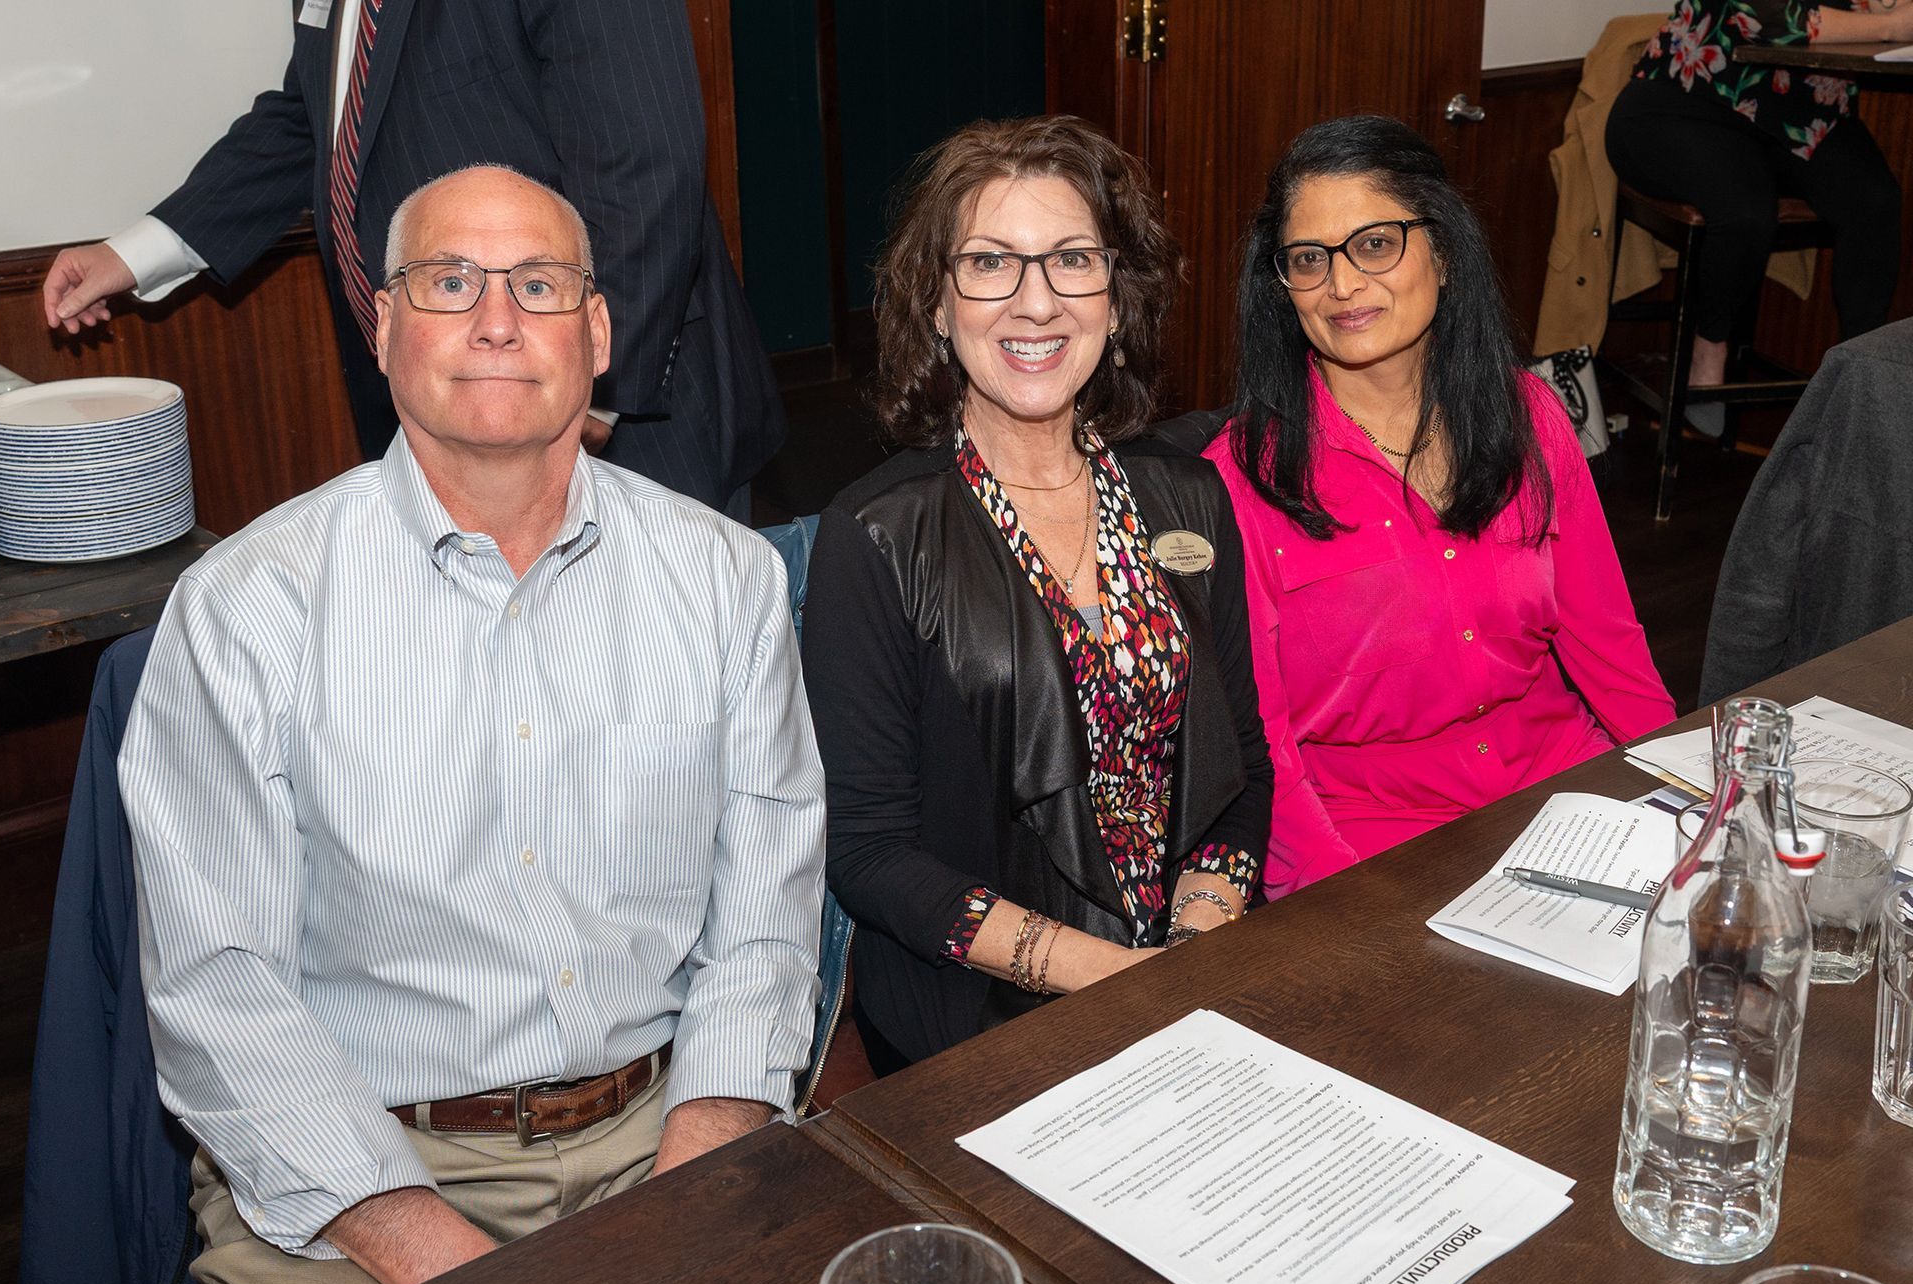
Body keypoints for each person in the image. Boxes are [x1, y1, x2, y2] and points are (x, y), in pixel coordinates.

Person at [117, 165, 824, 1284]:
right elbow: (221, 993)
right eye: (450, 282)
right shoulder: (244, 612)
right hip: (358, 1183)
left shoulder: (726, 581)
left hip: (665, 1131)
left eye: (540, 285)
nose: (497, 320)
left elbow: (764, 924)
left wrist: (683, 1198)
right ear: (383, 325)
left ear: (598, 334)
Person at [802, 116, 1273, 1073]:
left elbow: (1242, 767)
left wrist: (1197, 941)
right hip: (978, 1026)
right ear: (937, 304)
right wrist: (1118, 979)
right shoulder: (874, 534)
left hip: (1187, 974)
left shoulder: (1187, 497)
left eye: (1071, 260)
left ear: (1116, 292)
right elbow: (870, 852)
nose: (1036, 301)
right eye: (989, 263)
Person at [39, 0, 780, 511]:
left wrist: (590, 394)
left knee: (646, 718)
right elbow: (314, 118)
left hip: (613, 424)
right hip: (451, 418)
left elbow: (645, 166)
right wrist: (133, 253)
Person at [1206, 116, 1676, 899]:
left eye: (1376, 243)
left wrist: (1695, 797)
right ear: (1281, 287)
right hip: (1380, 845)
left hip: (1564, 790)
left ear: (1444, 251)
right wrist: (1342, 907)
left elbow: (1611, 647)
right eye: (1309, 260)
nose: (1343, 285)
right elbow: (1265, 751)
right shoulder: (1239, 477)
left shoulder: (1526, 412)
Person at [1606, 1, 1913, 435]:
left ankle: (1862, 384)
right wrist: (1890, 25)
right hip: (1688, 98)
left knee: (1875, 201)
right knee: (1747, 211)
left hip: (1801, 112)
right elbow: (1769, 16)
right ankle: (1709, 345)